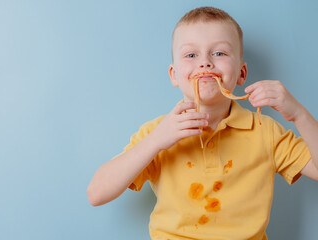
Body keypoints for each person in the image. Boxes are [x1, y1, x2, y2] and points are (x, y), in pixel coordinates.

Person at [87, 6, 318, 240]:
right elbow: (96, 193)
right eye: (191, 55)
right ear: (174, 75)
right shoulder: (157, 132)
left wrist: (299, 114)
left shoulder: (265, 131)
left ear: (241, 73)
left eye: (219, 53)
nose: (205, 63)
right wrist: (157, 141)